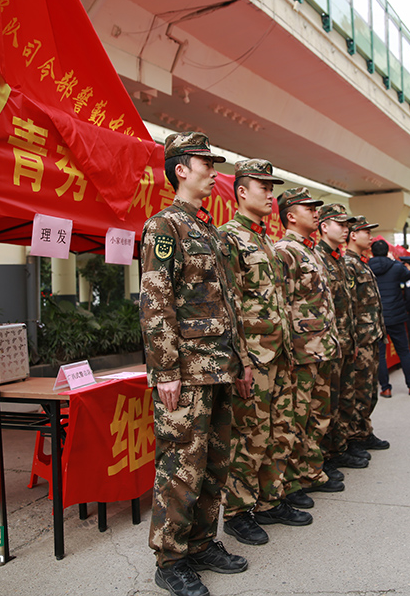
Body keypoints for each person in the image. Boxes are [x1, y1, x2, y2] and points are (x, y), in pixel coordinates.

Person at [140, 132, 250, 596]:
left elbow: (226, 304)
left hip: (219, 365)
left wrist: (240, 362)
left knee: (215, 464)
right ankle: (171, 558)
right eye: (206, 162)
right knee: (182, 464)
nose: (213, 171)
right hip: (186, 371)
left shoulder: (208, 230)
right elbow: (154, 301)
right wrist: (165, 371)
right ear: (181, 169)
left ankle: (202, 543)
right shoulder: (164, 227)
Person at [218, 159, 311, 547]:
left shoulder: (264, 240)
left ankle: (270, 501)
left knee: (278, 431)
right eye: (263, 187)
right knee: (249, 435)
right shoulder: (229, 238)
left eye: (272, 188)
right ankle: (238, 513)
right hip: (254, 358)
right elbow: (229, 307)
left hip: (279, 353)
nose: (270, 194)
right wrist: (240, 361)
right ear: (241, 191)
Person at [274, 187, 345, 509]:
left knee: (318, 415)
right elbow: (282, 303)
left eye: (317, 208)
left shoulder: (310, 250)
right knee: (297, 418)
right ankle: (292, 480)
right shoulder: (286, 251)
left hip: (321, 347)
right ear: (291, 215)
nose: (316, 212)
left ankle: (310, 471)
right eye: (309, 208)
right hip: (302, 351)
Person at [315, 204, 369, 474]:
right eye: (340, 224)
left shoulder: (338, 258)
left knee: (344, 399)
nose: (346, 229)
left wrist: (353, 341)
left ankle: (341, 447)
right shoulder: (319, 258)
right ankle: (327, 455)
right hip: (329, 346)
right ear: (324, 226)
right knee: (328, 403)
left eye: (348, 225)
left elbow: (347, 305)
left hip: (346, 343)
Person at [344, 215, 394, 459]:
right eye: (366, 231)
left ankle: (364, 430)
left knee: (369, 389)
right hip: (360, 339)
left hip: (371, 336)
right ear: (353, 235)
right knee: (358, 390)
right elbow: (349, 306)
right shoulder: (348, 263)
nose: (371, 236)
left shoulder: (362, 262)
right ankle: (354, 437)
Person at [368, 239, 410, 396]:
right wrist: (391, 260)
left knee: (380, 355)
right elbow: (408, 275)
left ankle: (385, 388)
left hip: (377, 316)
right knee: (404, 351)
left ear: (372, 252)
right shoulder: (396, 267)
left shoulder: (367, 267)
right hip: (396, 316)